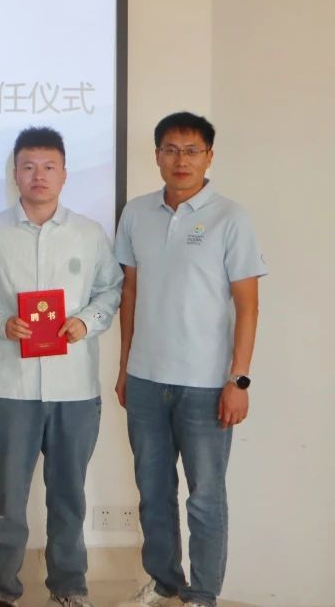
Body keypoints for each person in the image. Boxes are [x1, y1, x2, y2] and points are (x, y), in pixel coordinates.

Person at [0, 127, 122, 607]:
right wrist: (1, 323)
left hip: (74, 389)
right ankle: (1, 591)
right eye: (28, 167)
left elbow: (110, 291)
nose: (39, 176)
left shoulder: (89, 234)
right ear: (15, 173)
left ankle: (68, 588)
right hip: (7, 386)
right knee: (7, 501)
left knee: (68, 496)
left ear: (65, 174)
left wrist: (85, 322)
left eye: (49, 167)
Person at [114, 112, 265, 607]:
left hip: (206, 384)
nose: (181, 160)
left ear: (209, 157)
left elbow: (248, 305)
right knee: (153, 493)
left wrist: (238, 379)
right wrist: (124, 368)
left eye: (192, 150)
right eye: (171, 150)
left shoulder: (230, 217)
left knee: (205, 496)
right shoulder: (136, 213)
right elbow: (130, 293)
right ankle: (164, 583)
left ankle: (202, 594)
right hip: (145, 380)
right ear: (157, 155)